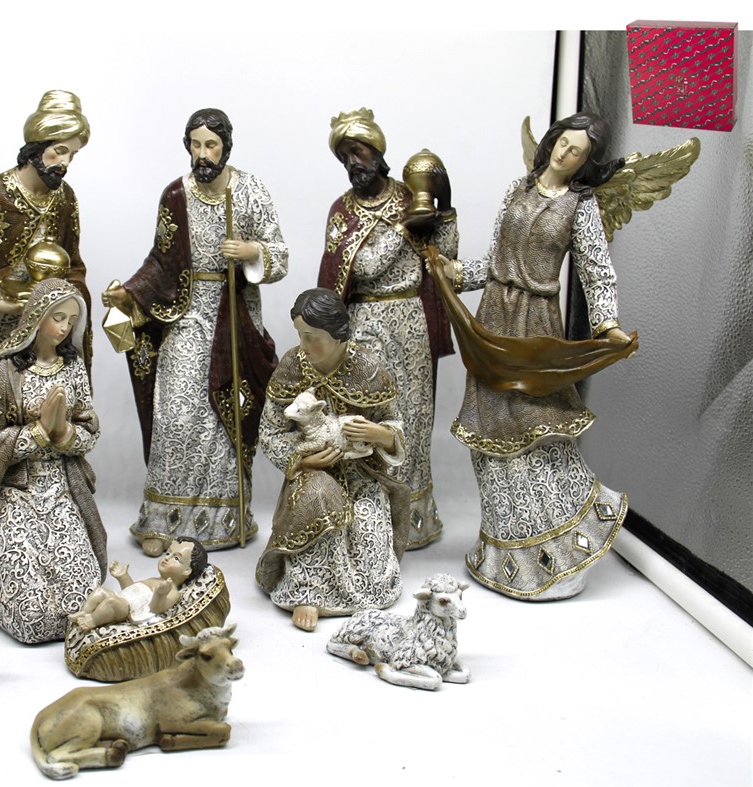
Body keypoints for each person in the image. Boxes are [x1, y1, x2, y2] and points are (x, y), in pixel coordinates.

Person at [435, 112, 636, 601]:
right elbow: (496, 260)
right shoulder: (518, 189)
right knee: (490, 432)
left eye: (578, 152)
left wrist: (606, 324)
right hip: (493, 321)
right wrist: (455, 272)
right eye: (563, 143)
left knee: (537, 429)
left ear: (586, 163)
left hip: (535, 326)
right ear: (551, 142)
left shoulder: (580, 207)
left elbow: (596, 271)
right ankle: (504, 552)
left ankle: (559, 551)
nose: (566, 154)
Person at [103, 108, 288, 555]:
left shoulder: (250, 191)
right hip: (186, 314)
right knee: (177, 412)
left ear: (226, 147)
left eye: (211, 145)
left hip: (234, 314)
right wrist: (130, 294)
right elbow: (161, 261)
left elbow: (280, 256)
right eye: (196, 145)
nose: (203, 154)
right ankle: (163, 520)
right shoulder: (175, 195)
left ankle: (225, 518)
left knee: (225, 415)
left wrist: (252, 251)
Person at [317, 108, 458, 551]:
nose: (352, 163)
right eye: (344, 156)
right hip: (365, 322)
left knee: (414, 413)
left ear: (378, 153)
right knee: (370, 411)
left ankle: (413, 517)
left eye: (357, 152)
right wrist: (401, 229)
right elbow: (359, 268)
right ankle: (372, 518)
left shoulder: (409, 195)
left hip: (410, 319)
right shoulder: (342, 211)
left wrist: (444, 208)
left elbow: (444, 259)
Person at [0, 278, 106, 643]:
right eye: (58, 317)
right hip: (16, 491)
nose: (65, 328)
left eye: (71, 320)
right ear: (37, 315)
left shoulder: (73, 367)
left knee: (82, 597)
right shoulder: (6, 371)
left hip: (63, 489)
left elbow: (90, 429)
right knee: (31, 615)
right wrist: (38, 432)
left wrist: (65, 434)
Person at [0, 90, 91, 466]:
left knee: (44, 405)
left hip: (47, 331)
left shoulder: (65, 200)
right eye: (59, 151)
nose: (65, 163)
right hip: (2, 331)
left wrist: (67, 299)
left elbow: (74, 264)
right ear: (36, 146)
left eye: (73, 155)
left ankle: (44, 489)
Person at [256, 289, 408, 632]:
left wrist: (380, 434)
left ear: (338, 335)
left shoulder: (369, 368)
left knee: (366, 527)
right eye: (300, 335)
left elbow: (395, 423)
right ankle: (307, 590)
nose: (304, 345)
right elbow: (270, 431)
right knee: (316, 499)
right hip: (314, 472)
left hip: (362, 473)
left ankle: (364, 587)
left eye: (313, 337)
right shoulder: (292, 365)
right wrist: (302, 461)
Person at [69, 537, 208, 631]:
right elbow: (132, 590)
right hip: (123, 598)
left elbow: (156, 609)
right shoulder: (154, 579)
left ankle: (92, 620)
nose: (167, 558)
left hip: (128, 609)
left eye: (176, 558)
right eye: (168, 553)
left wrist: (160, 594)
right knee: (100, 591)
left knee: (111, 602)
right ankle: (85, 612)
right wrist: (123, 576)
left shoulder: (172, 591)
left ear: (187, 570)